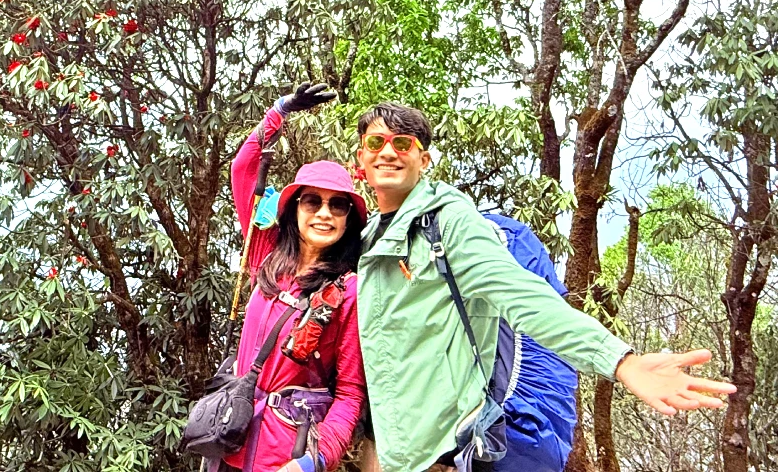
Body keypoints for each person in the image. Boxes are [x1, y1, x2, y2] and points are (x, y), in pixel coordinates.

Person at [349, 99, 738, 472]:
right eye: (375, 143)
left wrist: (621, 362)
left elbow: (522, 295)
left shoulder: (448, 222)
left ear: (424, 159)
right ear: (361, 159)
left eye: (402, 143)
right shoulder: (367, 240)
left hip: (444, 450)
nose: (388, 152)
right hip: (392, 450)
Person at [221, 84, 367, 472]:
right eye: (312, 201)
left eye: (338, 205)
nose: (325, 213)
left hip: (289, 453)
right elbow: (243, 169)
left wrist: (312, 462)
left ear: (349, 219)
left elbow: (351, 394)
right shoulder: (264, 255)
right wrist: (280, 110)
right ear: (294, 208)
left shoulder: (350, 291)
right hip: (230, 437)